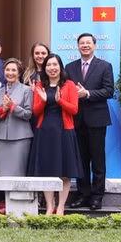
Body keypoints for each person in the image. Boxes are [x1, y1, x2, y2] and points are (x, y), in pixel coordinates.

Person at [27, 53, 82, 215]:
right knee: (47, 169)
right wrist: (43, 101)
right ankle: (50, 206)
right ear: (44, 68)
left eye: (55, 65)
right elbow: (35, 112)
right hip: (45, 132)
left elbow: (74, 110)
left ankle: (62, 206)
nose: (52, 68)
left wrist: (60, 101)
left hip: (64, 131)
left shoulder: (70, 85)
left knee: (65, 171)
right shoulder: (40, 85)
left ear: (60, 67)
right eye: (48, 65)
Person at [66, 33, 115, 211]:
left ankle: (97, 196)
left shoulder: (104, 66)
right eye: (82, 43)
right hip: (76, 120)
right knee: (81, 160)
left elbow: (109, 91)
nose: (85, 45)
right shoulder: (70, 67)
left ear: (94, 46)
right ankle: (82, 194)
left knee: (98, 160)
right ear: (78, 46)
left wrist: (87, 94)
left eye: (88, 43)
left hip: (97, 120)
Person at [0, 57, 33, 211]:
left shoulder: (26, 90)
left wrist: (13, 107)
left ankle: (20, 203)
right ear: (3, 72)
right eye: (7, 70)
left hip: (21, 136)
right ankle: (6, 202)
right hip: (2, 136)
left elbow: (29, 114)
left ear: (19, 73)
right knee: (3, 173)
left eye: (13, 70)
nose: (10, 73)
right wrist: (2, 110)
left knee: (18, 171)